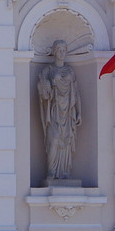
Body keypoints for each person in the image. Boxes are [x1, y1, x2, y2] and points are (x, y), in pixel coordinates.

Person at [38, 39, 80, 181]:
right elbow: (42, 92)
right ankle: (51, 171)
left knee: (66, 141)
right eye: (59, 50)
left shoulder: (70, 71)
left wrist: (78, 112)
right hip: (54, 111)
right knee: (54, 139)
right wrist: (46, 89)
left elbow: (76, 93)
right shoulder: (48, 70)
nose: (62, 53)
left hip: (68, 112)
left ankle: (64, 172)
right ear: (54, 52)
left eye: (64, 50)